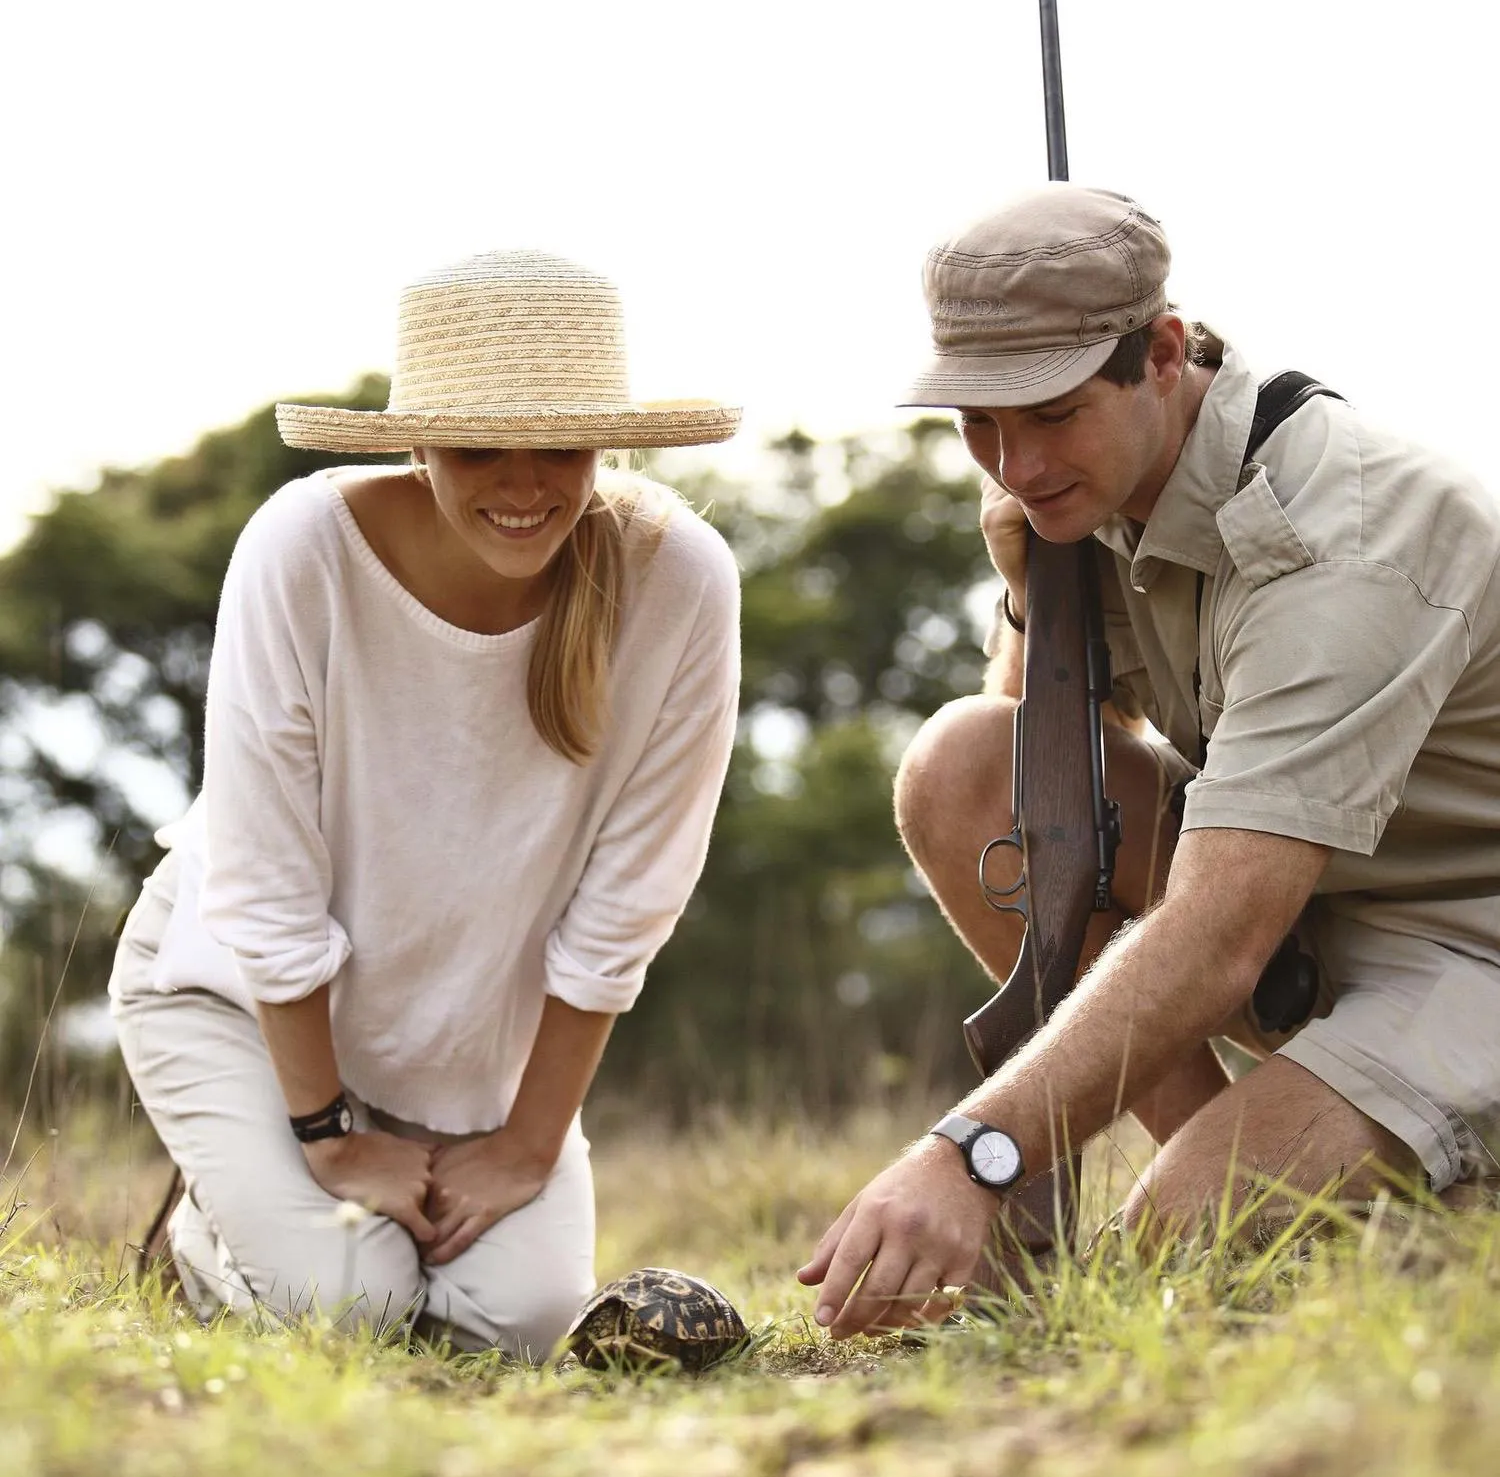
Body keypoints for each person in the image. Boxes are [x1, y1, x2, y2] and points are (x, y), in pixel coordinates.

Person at [802, 184, 1500, 1338]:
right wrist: (1034, 594)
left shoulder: (1351, 535)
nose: (1016, 462)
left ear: (1165, 353)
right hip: (1312, 932)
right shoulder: (1095, 486)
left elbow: (1220, 933)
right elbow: (1029, 809)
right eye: (980, 423)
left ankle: (1394, 1193)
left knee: (1166, 1249)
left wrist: (973, 1152)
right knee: (957, 764)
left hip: (1466, 956)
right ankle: (1287, 1171)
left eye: (1052, 413)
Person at [112, 250, 741, 1357]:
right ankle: (201, 1236)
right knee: (348, 1306)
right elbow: (264, 881)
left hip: (465, 1047)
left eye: (560, 447)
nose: (524, 486)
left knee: (521, 1324)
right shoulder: (303, 548)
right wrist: (328, 1134)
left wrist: (529, 1143)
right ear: (417, 443)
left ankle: (307, 1224)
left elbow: (631, 898)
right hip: (241, 1002)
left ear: (606, 443)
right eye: (478, 446)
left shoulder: (681, 580)